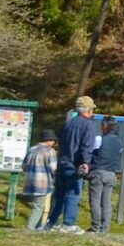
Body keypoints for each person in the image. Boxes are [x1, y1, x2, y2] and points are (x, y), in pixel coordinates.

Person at [46, 95, 100, 233]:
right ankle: (69, 223)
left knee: (58, 195)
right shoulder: (88, 125)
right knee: (73, 193)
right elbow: (86, 146)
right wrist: (86, 163)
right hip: (75, 165)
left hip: (62, 163)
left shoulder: (67, 124)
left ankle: (52, 223)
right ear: (88, 110)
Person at [88, 118, 123, 233]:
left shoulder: (99, 139)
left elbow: (90, 152)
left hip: (98, 172)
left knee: (95, 201)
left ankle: (95, 227)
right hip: (111, 174)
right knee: (106, 202)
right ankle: (105, 228)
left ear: (105, 126)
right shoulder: (119, 142)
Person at [20, 129, 59, 230]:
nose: (54, 143)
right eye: (53, 140)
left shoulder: (31, 149)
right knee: (38, 207)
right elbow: (54, 168)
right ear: (48, 140)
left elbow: (24, 166)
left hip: (29, 182)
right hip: (42, 183)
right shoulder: (50, 151)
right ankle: (30, 227)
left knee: (36, 205)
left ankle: (38, 226)